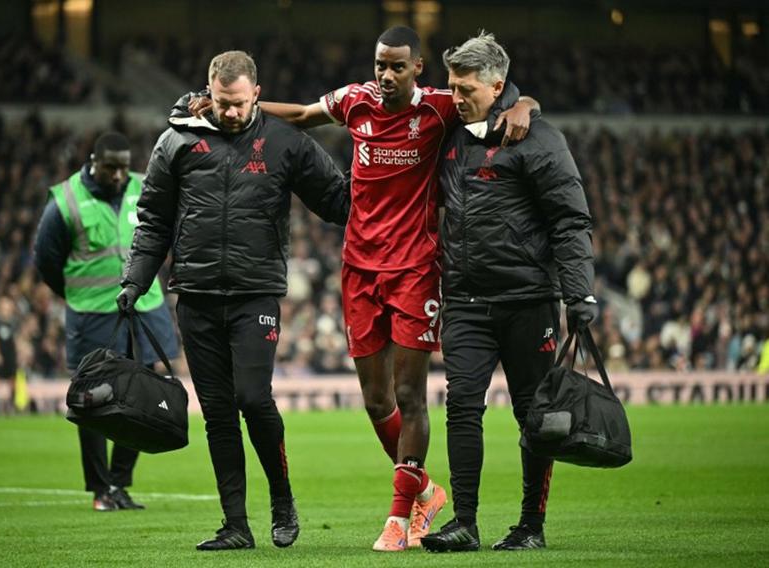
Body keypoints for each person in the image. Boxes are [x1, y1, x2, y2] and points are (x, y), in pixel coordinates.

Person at [184, 25, 537, 552]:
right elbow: (303, 115)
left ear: (418, 68)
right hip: (359, 267)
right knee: (376, 401)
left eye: (397, 66)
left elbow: (497, 95)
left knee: (409, 396)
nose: (385, 76)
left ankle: (400, 515)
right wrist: (224, 107)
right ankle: (424, 491)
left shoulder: (439, 109)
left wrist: (526, 104)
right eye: (379, 65)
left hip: (416, 268)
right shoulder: (356, 101)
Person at [117, 50, 350, 551]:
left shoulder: (286, 141)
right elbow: (153, 220)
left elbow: (339, 201)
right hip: (196, 295)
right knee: (219, 413)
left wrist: (389, 182)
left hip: (255, 293)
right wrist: (134, 281)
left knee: (253, 398)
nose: (231, 112)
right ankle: (235, 525)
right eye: (223, 103)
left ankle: (282, 501)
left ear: (257, 95)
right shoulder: (176, 141)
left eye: (240, 104)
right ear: (208, 94)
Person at [419, 32, 598, 553]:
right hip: (466, 301)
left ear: (497, 86)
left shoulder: (539, 140)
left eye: (466, 88)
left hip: (527, 301)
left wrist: (578, 294)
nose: (455, 97)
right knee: (461, 407)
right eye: (451, 86)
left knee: (533, 416)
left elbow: (569, 220)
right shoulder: (452, 133)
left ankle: (530, 526)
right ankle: (465, 522)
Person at [33, 131, 180, 512]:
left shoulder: (145, 188)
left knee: (143, 398)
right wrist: (79, 296)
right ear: (93, 162)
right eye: (110, 167)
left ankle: (119, 483)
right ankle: (100, 489)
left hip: (145, 310)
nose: (118, 175)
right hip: (93, 314)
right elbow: (46, 260)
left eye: (123, 167)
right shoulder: (66, 201)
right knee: (92, 401)